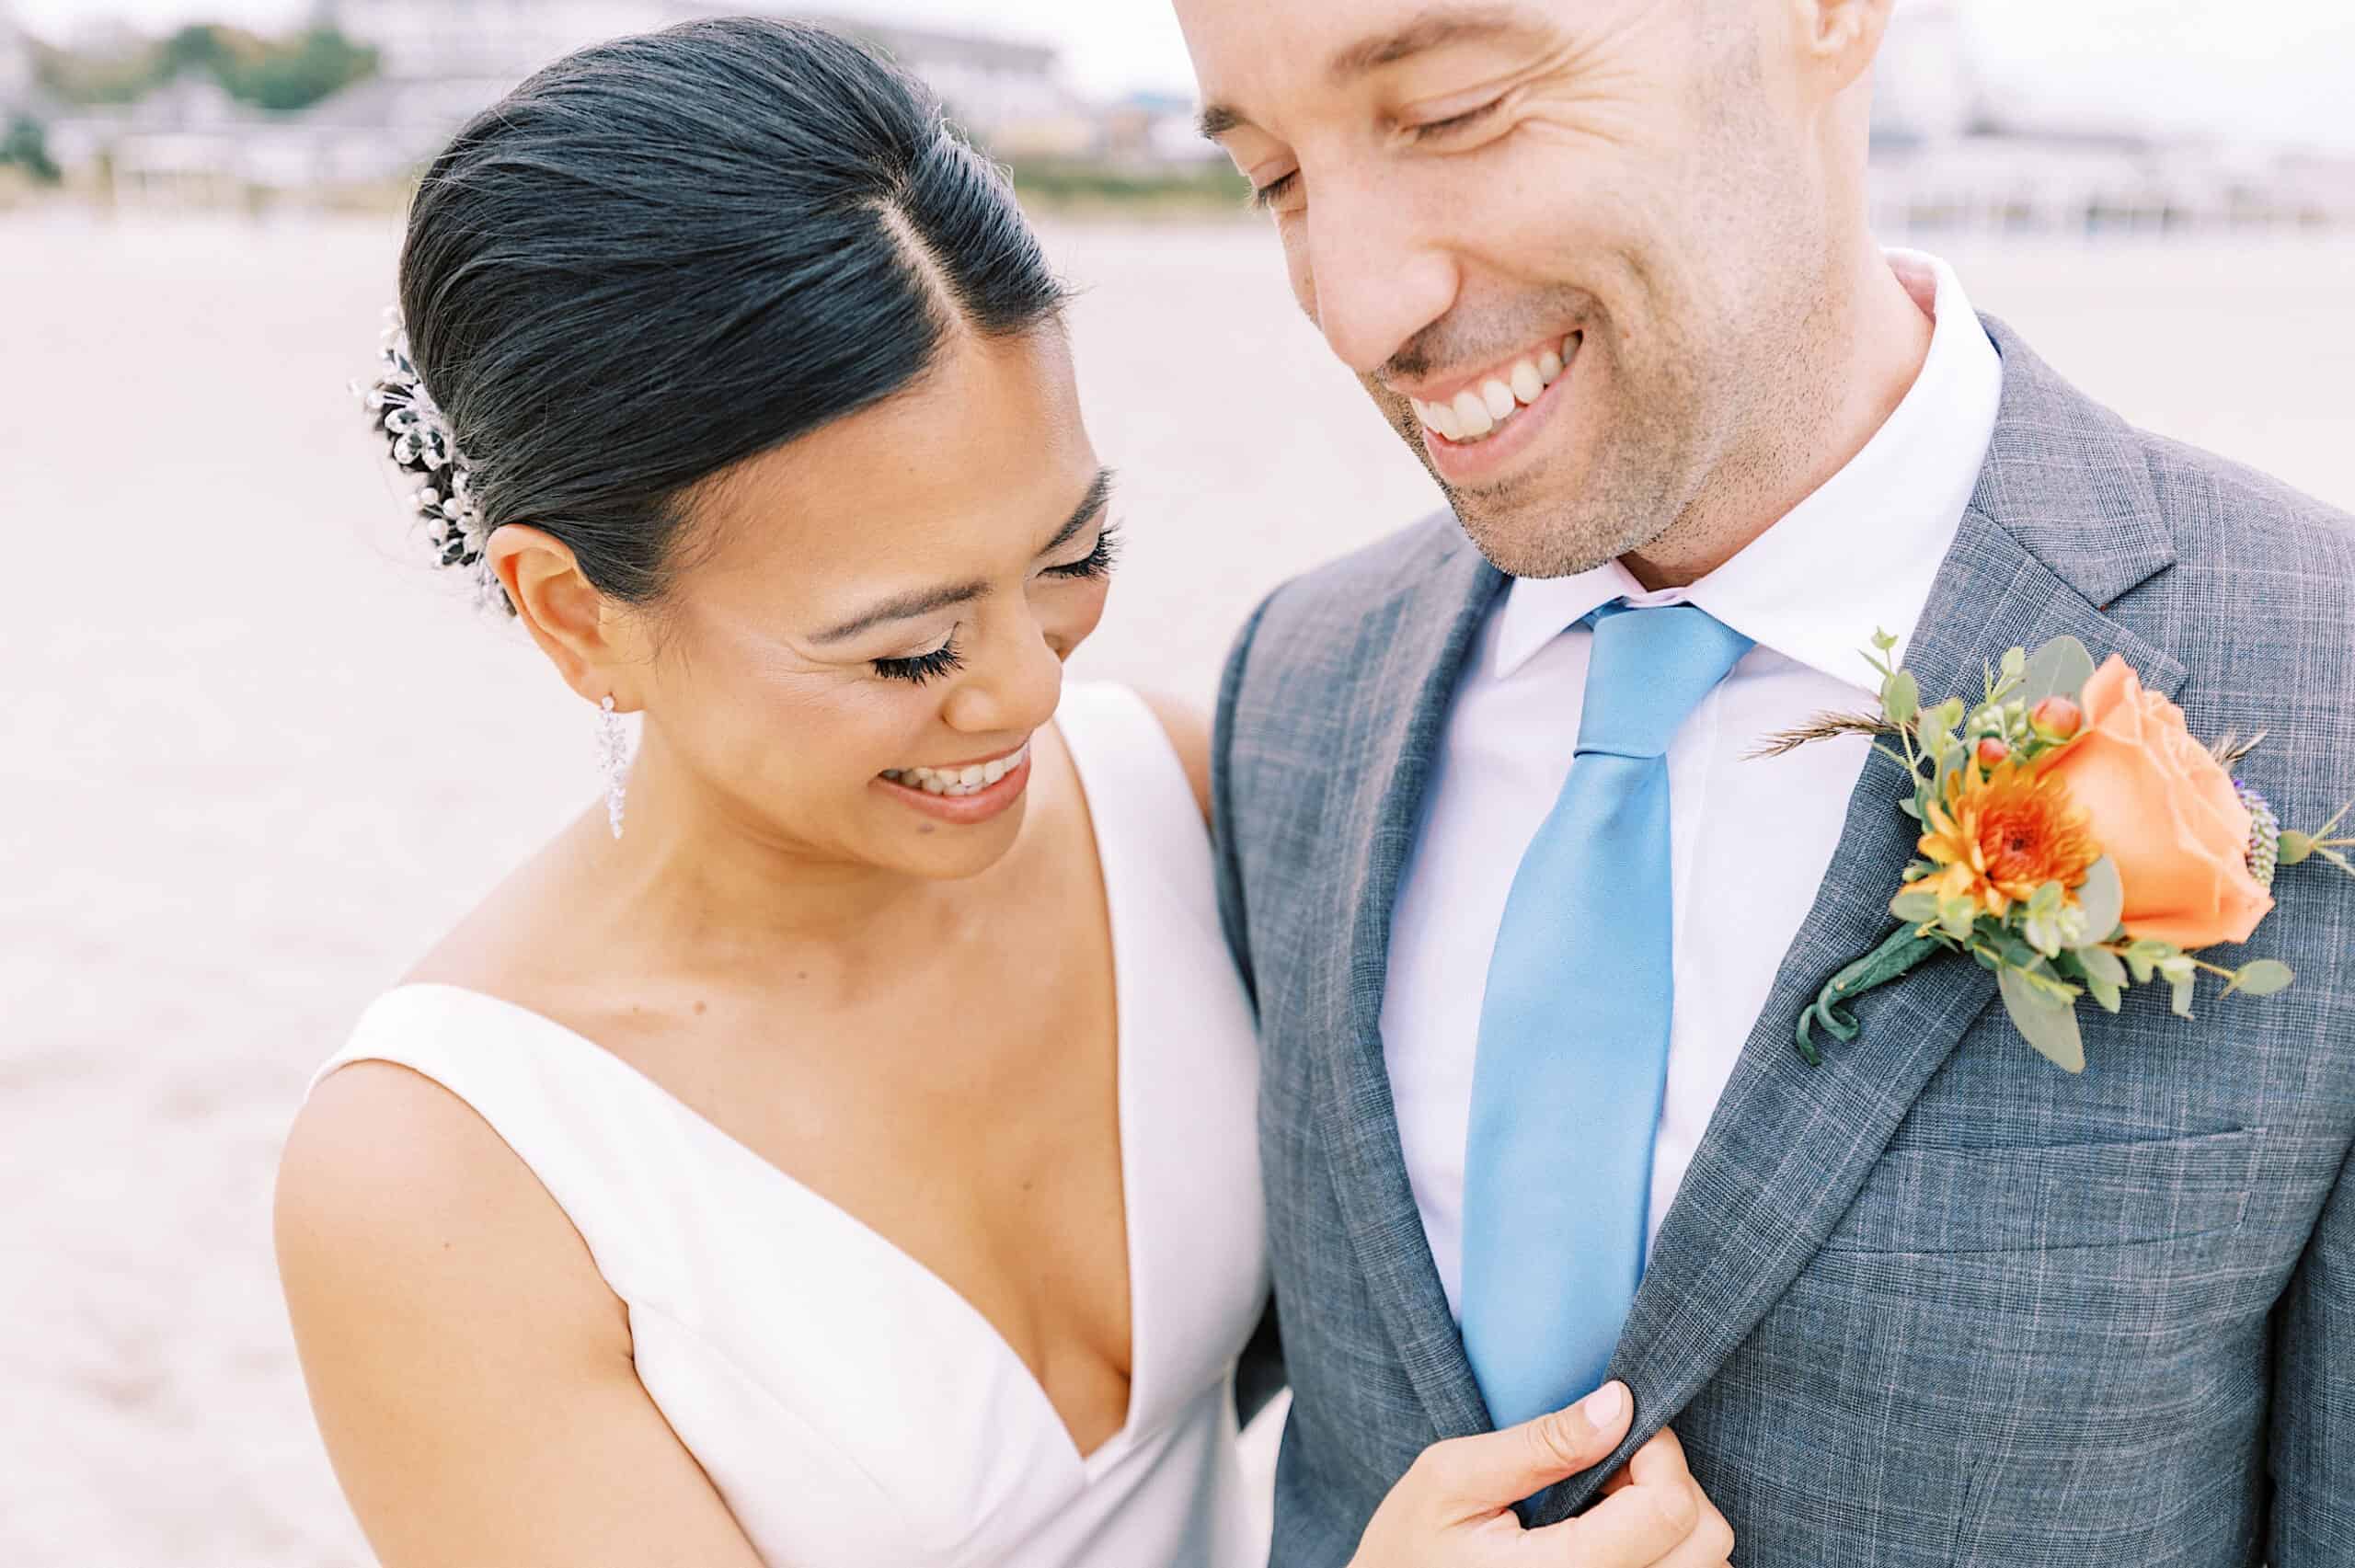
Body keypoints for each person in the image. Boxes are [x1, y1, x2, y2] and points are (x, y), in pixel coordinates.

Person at [274, 18, 1732, 1568]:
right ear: (574, 614)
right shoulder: (442, 1176)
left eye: (1072, 559)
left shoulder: (1162, 796)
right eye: (908, 649)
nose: (1029, 690)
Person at [1175, 0, 2355, 1562]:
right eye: (1276, 180)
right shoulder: (1294, 691)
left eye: (1452, 109)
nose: (1354, 306)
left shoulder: (2320, 677)